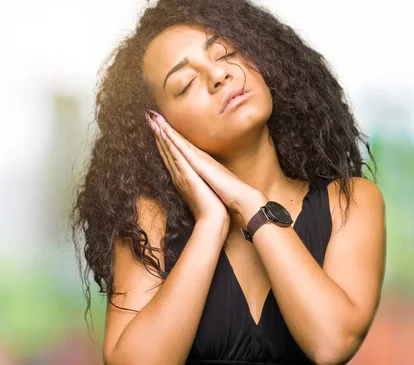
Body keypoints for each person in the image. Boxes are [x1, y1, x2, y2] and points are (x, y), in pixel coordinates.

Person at [70, 0, 386, 364]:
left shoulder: (350, 201)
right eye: (186, 83)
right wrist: (211, 223)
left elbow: (331, 343)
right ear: (161, 124)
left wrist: (248, 205)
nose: (219, 76)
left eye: (226, 53)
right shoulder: (150, 221)